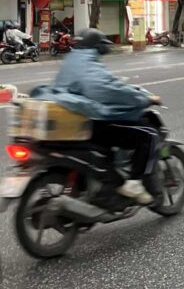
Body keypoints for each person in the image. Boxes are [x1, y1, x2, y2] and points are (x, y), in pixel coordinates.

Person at [30, 29, 160, 204]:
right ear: (97, 46)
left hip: (72, 116)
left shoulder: (73, 59)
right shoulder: (88, 64)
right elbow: (106, 90)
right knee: (148, 135)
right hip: (89, 121)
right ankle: (134, 183)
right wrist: (143, 98)